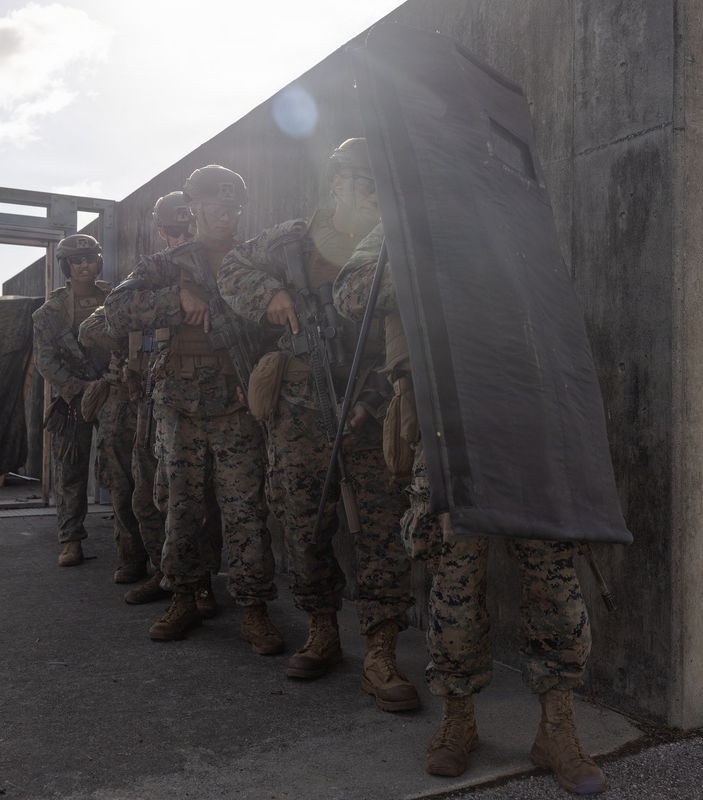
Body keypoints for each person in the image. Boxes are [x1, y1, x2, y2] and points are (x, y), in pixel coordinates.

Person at [334, 223, 607, 795]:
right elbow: (351, 294)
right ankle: (458, 720)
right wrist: (431, 264)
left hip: (530, 422)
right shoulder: (402, 219)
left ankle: (557, 728)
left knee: (556, 583)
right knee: (453, 583)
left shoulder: (510, 212)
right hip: (446, 428)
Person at [216, 138, 418, 712]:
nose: (373, 195)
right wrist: (272, 293)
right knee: (303, 520)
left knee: (381, 530)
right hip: (300, 406)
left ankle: (380, 652)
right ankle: (322, 630)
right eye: (364, 183)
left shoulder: (394, 245)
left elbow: (410, 338)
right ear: (337, 184)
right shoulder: (291, 240)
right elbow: (231, 269)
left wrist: (372, 400)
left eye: (380, 186)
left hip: (370, 403)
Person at [103, 165, 281, 654]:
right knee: (180, 508)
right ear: (195, 208)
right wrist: (175, 298)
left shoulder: (253, 262)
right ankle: (183, 597)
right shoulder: (166, 265)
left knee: (246, 512)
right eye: (217, 207)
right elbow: (115, 312)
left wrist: (261, 379)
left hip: (237, 408)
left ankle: (254, 609)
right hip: (179, 406)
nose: (227, 217)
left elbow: (281, 328)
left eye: (234, 208)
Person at [123, 192, 223, 616]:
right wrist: (174, 298)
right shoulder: (157, 270)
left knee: (209, 499)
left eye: (188, 228)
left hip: (216, 395)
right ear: (162, 232)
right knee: (155, 493)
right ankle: (170, 574)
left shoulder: (223, 262)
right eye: (174, 230)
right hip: (159, 396)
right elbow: (109, 317)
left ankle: (202, 584)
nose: (182, 237)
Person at [31, 234, 110, 567]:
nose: (84, 265)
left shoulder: (114, 299)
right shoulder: (51, 311)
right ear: (66, 266)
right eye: (76, 260)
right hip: (73, 398)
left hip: (112, 392)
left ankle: (132, 542)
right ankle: (71, 540)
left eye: (90, 258)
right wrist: (78, 386)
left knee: (122, 467)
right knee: (70, 471)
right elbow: (44, 360)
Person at [77, 304, 148, 584]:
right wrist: (132, 335)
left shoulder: (179, 298)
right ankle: (132, 558)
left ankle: (170, 564)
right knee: (120, 488)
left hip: (159, 403)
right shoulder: (124, 300)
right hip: (120, 403)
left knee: (158, 488)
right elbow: (87, 330)